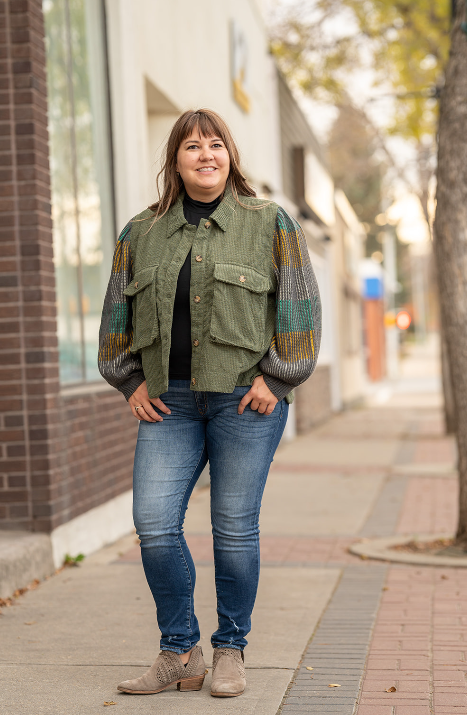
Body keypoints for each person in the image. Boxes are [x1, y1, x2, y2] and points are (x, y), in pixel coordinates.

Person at [98, 108, 321, 698]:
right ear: (174, 160)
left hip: (244, 399)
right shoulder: (140, 233)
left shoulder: (270, 221)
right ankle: (180, 652)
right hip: (167, 402)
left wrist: (277, 379)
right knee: (153, 523)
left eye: (216, 144)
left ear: (231, 157)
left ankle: (230, 650)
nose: (205, 154)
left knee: (233, 528)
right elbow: (115, 318)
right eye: (192, 146)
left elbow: (299, 310)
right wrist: (129, 380)